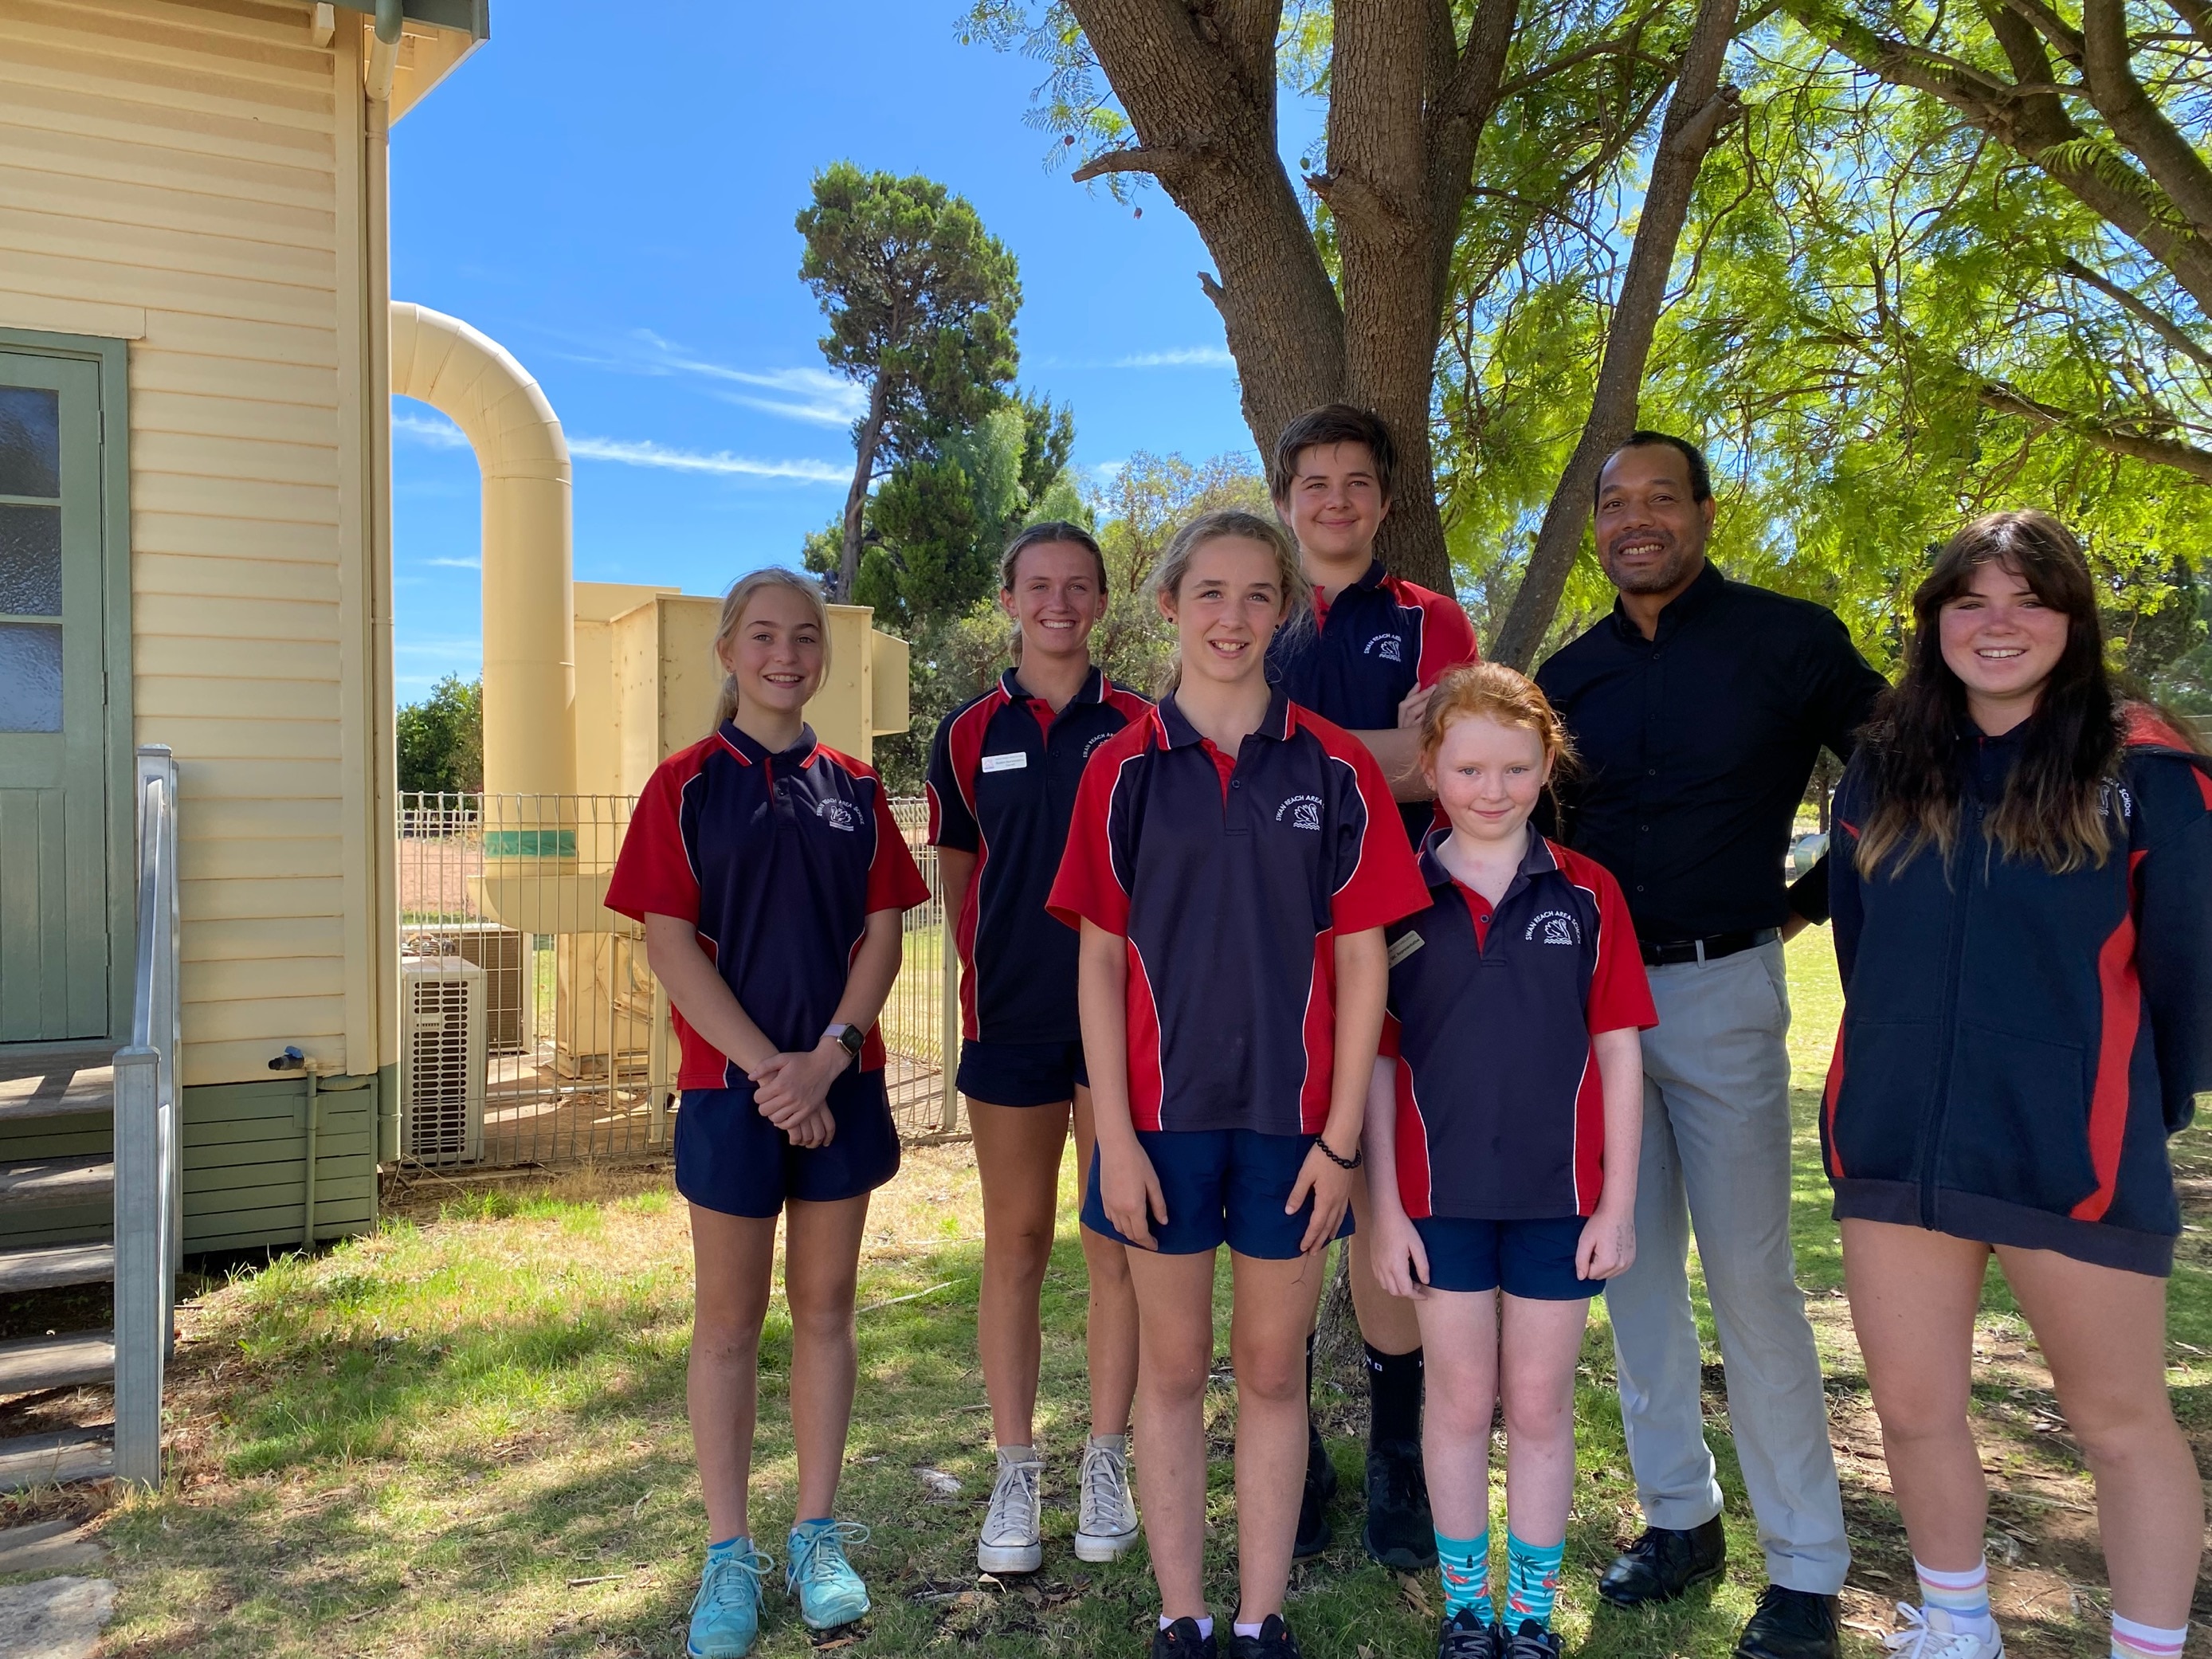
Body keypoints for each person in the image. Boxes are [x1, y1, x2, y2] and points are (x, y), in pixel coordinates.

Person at [1825, 512, 2212, 1659]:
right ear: (1934, 622)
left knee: (2120, 1422)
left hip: (2071, 1147)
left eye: (2028, 601)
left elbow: (2188, 972)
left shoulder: (2148, 771)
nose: (1998, 626)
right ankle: (1956, 1626)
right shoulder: (1880, 765)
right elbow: (1860, 944)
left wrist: (2130, 1109)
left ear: (2072, 619)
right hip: (1895, 1140)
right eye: (1971, 602)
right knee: (1913, 1410)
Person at [1048, 508, 1430, 1659]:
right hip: (1158, 1128)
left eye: (1258, 593)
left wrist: (1342, 1141)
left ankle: (1261, 1619)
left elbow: (1362, 961)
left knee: (1270, 1372)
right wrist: (1114, 1140)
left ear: (1285, 611)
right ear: (1169, 605)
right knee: (1171, 1373)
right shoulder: (1119, 767)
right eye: (1209, 592)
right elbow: (1099, 964)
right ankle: (1183, 1614)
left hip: (1293, 1130)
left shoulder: (1336, 765)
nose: (1232, 616)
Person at [1534, 431, 1887, 1659]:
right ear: (1596, 525)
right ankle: (1679, 1517)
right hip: (1593, 1011)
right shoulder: (1567, 675)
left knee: (1751, 1281)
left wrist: (1805, 904)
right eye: (1614, 503)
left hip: (1724, 991)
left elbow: (1904, 769)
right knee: (1629, 1274)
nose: (1637, 519)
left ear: (1705, 511)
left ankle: (1806, 1567)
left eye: (1660, 498)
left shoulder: (1791, 640)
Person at [606, 568, 932, 1659]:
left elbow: (882, 935)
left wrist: (827, 1061)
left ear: (823, 657)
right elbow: (667, 944)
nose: (785, 655)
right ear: (727, 652)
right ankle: (728, 1553)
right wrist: (770, 1076)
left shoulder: (857, 788)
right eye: (763, 636)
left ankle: (815, 1536)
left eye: (803, 638)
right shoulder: (683, 786)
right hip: (729, 1094)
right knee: (728, 1323)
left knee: (828, 1309)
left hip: (839, 1082)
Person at [1363, 663, 1653, 1659]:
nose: (1493, 790)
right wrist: (1385, 1211)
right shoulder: (1394, 892)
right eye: (1469, 768)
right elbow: (1374, 1061)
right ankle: (1466, 1609)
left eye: (1517, 768)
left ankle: (1528, 1614)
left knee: (1537, 1403)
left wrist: (1616, 1203)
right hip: (1435, 1200)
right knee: (1455, 1400)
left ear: (1546, 765)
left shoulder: (1588, 892)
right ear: (1429, 766)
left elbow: (1619, 1050)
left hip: (1559, 1200)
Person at [1265, 403, 1483, 1568]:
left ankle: (1396, 1446)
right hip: (1268, 951)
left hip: (1404, 946)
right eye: (1315, 482)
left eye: (1357, 482)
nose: (1336, 500)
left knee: (1385, 1187)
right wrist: (1377, 754)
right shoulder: (1256, 610)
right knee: (1289, 1189)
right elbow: (1226, 761)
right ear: (1286, 498)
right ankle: (1290, 1442)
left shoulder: (1430, 618)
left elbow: (1444, 764)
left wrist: (1294, 749)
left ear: (1385, 502)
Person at [925, 522, 1153, 1575]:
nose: (1058, 601)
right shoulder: (966, 731)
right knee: (1015, 1243)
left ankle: (1107, 1460)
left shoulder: (1144, 725)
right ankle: (1014, 1470)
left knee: (1115, 1243)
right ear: (1009, 600)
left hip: (1122, 1024)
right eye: (1038, 585)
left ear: (1101, 601)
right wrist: (995, 961)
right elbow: (960, 876)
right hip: (1010, 1018)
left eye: (1077, 585)